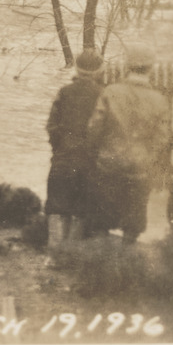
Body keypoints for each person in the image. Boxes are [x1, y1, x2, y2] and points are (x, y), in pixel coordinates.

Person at [85, 44, 172, 243]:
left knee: (102, 218)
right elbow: (162, 139)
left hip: (109, 162)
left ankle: (99, 261)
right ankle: (127, 260)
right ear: (150, 68)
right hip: (140, 167)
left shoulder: (111, 92)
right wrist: (148, 157)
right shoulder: (159, 100)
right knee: (133, 222)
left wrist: (98, 152)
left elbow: (95, 128)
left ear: (127, 66)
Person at [44, 50, 105, 249]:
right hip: (88, 162)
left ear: (77, 69)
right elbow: (104, 131)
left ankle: (54, 253)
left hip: (63, 158)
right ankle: (71, 254)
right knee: (81, 208)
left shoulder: (64, 92)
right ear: (99, 71)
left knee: (56, 205)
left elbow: (52, 126)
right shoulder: (103, 95)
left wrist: (58, 150)